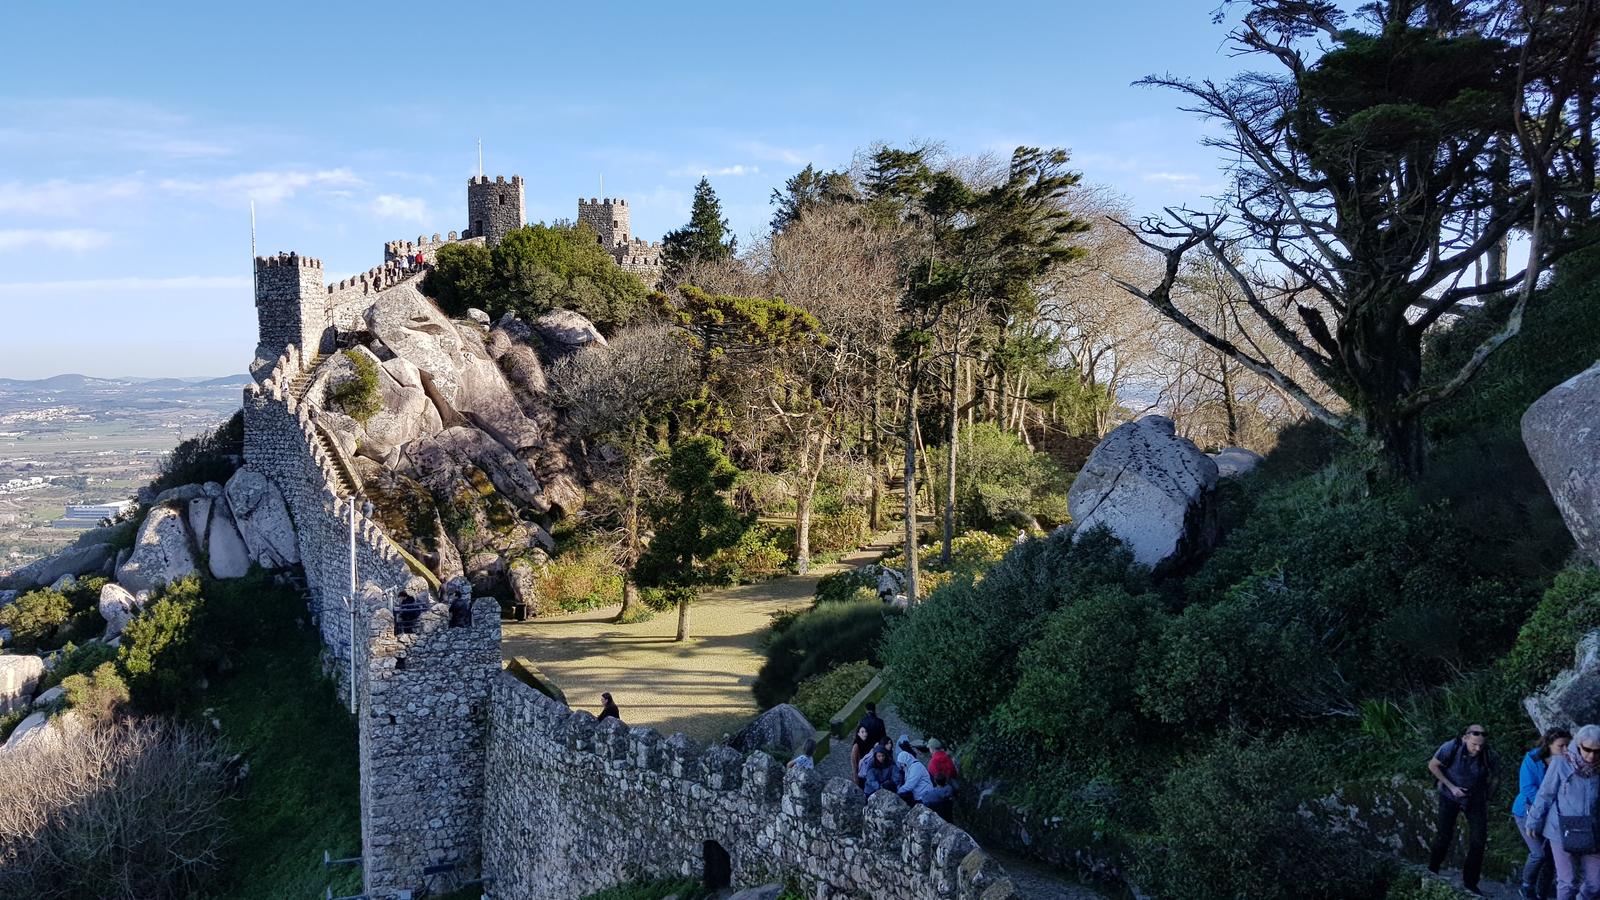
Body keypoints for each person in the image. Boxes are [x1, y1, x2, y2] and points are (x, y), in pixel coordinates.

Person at [1527, 724, 1600, 900]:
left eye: (1597, 751)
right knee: (1567, 882)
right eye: (1587, 749)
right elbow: (1545, 794)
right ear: (1579, 744)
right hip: (1560, 829)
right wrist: (1534, 820)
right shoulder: (1561, 763)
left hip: (1592, 830)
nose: (1591, 756)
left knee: (1595, 884)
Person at [1428, 723, 1498, 895]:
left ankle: (1470, 883)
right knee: (1444, 835)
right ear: (1465, 738)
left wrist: (1487, 796)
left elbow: (1495, 777)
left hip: (1475, 799)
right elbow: (1433, 765)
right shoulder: (1451, 747)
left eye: (1481, 745)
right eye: (1474, 744)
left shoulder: (1489, 754)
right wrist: (1451, 787)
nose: (1477, 748)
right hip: (1449, 795)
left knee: (1478, 840)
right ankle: (1431, 872)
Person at [1516, 727, 1573, 900]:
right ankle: (1527, 886)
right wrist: (1546, 806)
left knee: (1551, 857)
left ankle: (1542, 892)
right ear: (1549, 745)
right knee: (1538, 853)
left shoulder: (1569, 761)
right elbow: (1527, 788)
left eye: (1567, 746)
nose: (1564, 750)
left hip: (1555, 815)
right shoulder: (1532, 759)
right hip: (1527, 811)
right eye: (1560, 746)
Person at [896, 734, 931, 806]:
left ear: (905, 761)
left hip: (925, 796)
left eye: (901, 763)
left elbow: (910, 785)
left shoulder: (916, 767)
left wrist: (898, 791)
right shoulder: (909, 767)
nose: (901, 766)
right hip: (920, 796)